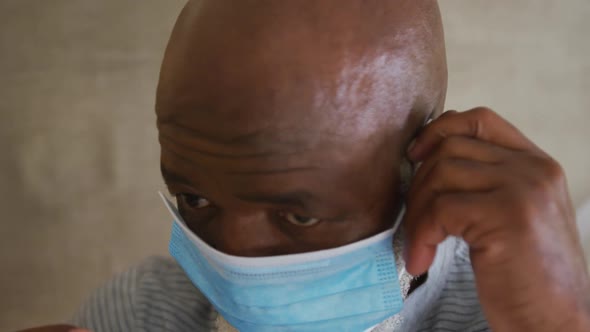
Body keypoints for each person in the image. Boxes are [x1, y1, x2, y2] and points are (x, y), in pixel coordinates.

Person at [22, 0, 590, 331]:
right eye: (195, 200)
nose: (232, 258)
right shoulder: (144, 313)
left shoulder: (516, 308)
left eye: (297, 217)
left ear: (419, 176)